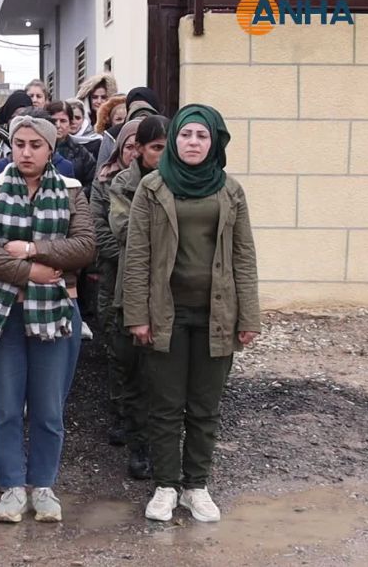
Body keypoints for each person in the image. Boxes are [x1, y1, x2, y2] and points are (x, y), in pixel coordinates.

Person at [122, 104, 260, 523]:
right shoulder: (152, 188)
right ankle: (166, 485)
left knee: (204, 405)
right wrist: (137, 315)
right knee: (164, 404)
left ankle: (196, 485)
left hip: (217, 313)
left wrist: (249, 316)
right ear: (175, 139)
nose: (193, 143)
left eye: (202, 136)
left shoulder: (230, 191)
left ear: (214, 141)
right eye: (186, 135)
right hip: (166, 312)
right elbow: (138, 256)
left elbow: (244, 256)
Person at [0, 114, 95, 524]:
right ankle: (10, 487)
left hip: (56, 312)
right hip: (1, 312)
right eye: (19, 144)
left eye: (34, 145)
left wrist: (28, 249)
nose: (25, 151)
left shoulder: (73, 192)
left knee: (48, 408)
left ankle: (43, 486)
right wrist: (31, 273)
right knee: (5, 406)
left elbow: (85, 247)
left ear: (49, 149)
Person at [107, 115, 169, 480]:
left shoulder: (180, 181)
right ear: (141, 150)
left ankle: (162, 449)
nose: (162, 155)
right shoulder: (123, 183)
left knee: (163, 379)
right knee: (132, 375)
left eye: (166, 147)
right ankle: (138, 446)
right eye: (156, 148)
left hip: (169, 293)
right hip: (129, 291)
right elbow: (124, 231)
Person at [88, 118, 140, 446]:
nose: (134, 152)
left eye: (140, 145)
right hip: (113, 274)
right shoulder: (105, 181)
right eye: (128, 146)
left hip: (146, 279)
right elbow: (98, 229)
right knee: (116, 347)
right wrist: (134, 261)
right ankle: (121, 413)